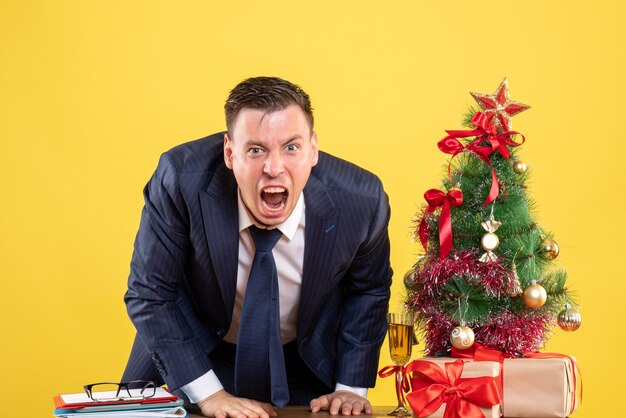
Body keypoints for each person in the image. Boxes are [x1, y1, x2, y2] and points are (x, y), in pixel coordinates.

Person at [122, 76, 392, 418]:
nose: (274, 168)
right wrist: (210, 395)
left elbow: (368, 290)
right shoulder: (180, 180)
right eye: (255, 150)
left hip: (306, 359)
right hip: (196, 351)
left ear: (313, 150)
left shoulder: (362, 201)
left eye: (291, 147)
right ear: (230, 153)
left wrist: (350, 389)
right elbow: (150, 293)